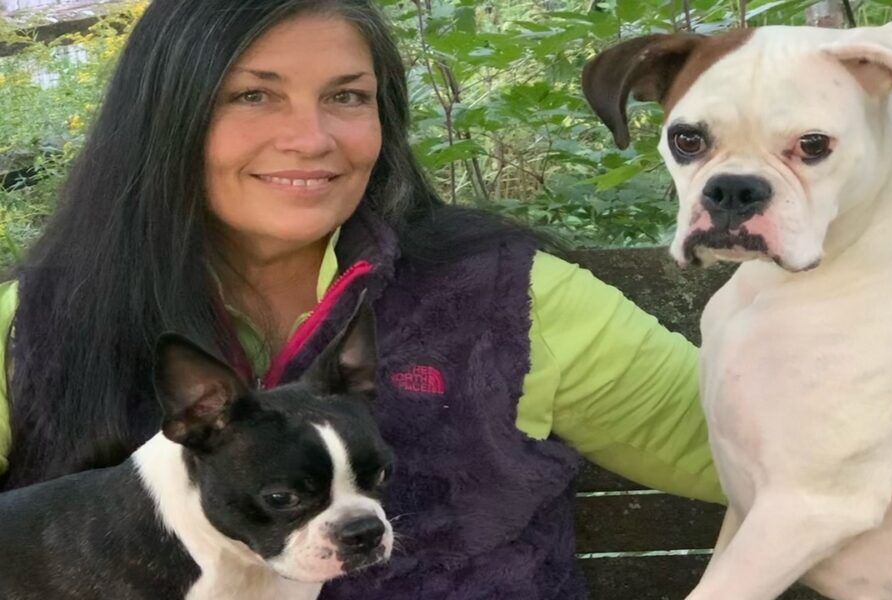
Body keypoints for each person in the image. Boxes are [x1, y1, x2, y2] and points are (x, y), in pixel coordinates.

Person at [0, 0, 723, 596]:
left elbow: (753, 447)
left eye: (346, 96)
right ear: (165, 117)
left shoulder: (512, 297)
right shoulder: (41, 318)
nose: (310, 138)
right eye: (254, 95)